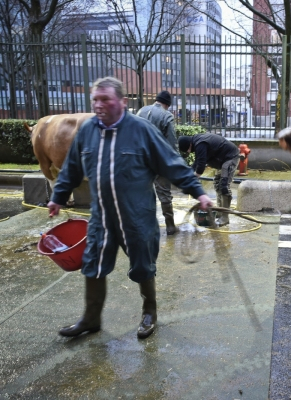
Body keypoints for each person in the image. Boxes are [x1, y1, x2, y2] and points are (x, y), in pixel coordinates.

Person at [47, 77, 213, 340]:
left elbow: (171, 162)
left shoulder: (141, 130)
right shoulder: (88, 130)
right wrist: (58, 196)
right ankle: (91, 319)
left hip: (136, 215)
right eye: (96, 100)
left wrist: (198, 191)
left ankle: (149, 313)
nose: (99, 105)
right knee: (93, 263)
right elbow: (72, 168)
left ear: (122, 102)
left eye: (106, 100)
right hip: (101, 215)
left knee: (143, 264)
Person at [136, 90, 178, 235]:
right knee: (164, 194)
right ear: (167, 104)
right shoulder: (166, 115)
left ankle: (144, 226)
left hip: (140, 161)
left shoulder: (141, 111)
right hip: (159, 161)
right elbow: (172, 143)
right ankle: (170, 226)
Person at [177, 133, 239, 226]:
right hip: (222, 160)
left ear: (189, 146)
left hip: (230, 157)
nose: (189, 152)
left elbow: (201, 165)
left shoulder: (200, 143)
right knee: (217, 184)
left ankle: (225, 217)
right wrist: (188, 175)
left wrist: (193, 180)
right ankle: (219, 211)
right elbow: (197, 162)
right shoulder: (197, 142)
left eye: (187, 150)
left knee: (224, 186)